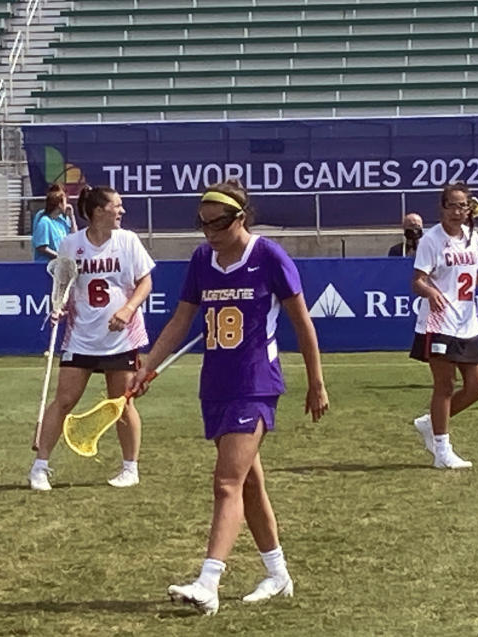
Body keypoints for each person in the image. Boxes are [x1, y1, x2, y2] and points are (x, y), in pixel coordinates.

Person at [129, 179, 329, 616]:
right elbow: (181, 321)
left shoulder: (268, 256)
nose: (207, 232)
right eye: (201, 223)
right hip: (215, 384)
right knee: (249, 484)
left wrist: (316, 382)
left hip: (255, 383)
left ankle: (209, 581)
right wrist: (147, 368)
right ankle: (277, 573)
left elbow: (302, 322)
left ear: (239, 217)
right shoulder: (202, 260)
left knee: (225, 483)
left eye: (215, 223)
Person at [28, 184, 155, 490]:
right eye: (117, 206)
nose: (121, 211)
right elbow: (63, 284)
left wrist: (128, 309)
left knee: (122, 403)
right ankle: (39, 467)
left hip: (120, 338)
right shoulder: (71, 245)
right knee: (64, 400)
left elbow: (145, 282)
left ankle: (130, 468)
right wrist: (58, 307)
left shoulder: (128, 241)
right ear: (99, 211)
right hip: (81, 336)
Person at [410, 182, 478, 470]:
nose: (457, 212)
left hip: (467, 321)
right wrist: (431, 292)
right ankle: (442, 451)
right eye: (452, 206)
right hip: (439, 321)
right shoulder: (431, 240)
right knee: (445, 385)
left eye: (463, 206)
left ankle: (429, 424)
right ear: (442, 208)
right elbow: (418, 281)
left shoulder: (472, 237)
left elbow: (469, 281)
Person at [31, 184, 77, 261]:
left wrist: (72, 217)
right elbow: (41, 247)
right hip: (45, 266)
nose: (67, 205)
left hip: (60, 267)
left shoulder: (63, 220)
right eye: (65, 202)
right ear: (59, 204)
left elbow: (74, 237)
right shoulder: (44, 222)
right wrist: (59, 256)